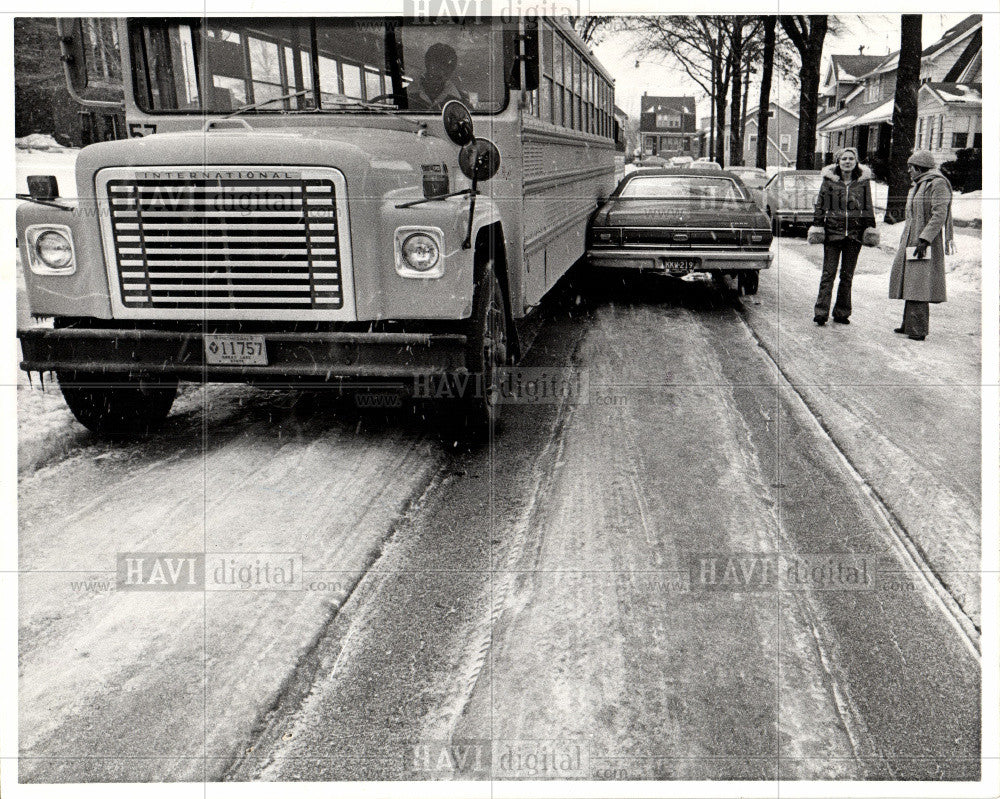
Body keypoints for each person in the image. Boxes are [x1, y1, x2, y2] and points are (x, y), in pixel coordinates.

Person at [888, 150, 954, 341]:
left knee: (919, 284)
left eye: (911, 167)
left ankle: (917, 329)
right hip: (912, 240)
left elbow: (939, 214)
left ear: (920, 167)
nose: (909, 171)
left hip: (924, 243)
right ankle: (909, 324)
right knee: (911, 280)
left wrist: (924, 239)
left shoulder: (937, 183)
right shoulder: (919, 184)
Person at [808, 147, 877, 325]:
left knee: (847, 276)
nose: (847, 162)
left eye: (851, 159)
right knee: (828, 274)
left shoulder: (862, 182)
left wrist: (870, 228)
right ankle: (821, 312)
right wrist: (818, 226)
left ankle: (841, 312)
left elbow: (868, 207)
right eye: (844, 159)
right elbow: (820, 206)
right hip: (833, 234)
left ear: (856, 162)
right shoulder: (829, 182)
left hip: (854, 236)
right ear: (838, 162)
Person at [410, 43, 469, 111]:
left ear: (451, 71)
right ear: (427, 65)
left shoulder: (462, 101)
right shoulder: (406, 95)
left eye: (446, 68)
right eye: (437, 67)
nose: (441, 73)